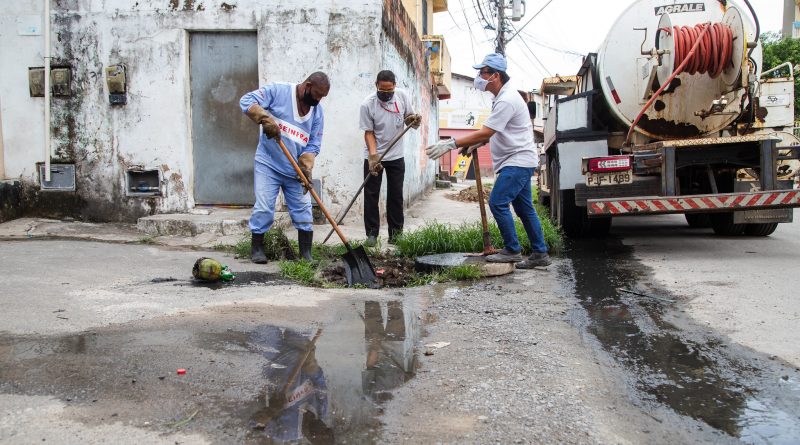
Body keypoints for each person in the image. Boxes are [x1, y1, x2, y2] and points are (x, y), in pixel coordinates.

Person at [425, 53, 551, 268]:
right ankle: (540, 253)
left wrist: (451, 143)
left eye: (482, 72)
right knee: (523, 209)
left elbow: (487, 131)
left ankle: (512, 249)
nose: (479, 77)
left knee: (498, 202)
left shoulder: (507, 99)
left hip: (517, 160)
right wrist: (477, 143)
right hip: (518, 158)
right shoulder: (501, 98)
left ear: (495, 76)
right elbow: (493, 131)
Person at [240, 72, 330, 264]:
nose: (318, 100)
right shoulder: (278, 91)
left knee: (304, 210)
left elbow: (314, 143)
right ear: (306, 85)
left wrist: (306, 164)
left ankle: (305, 254)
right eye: (316, 94)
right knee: (264, 207)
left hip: (294, 170)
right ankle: (257, 249)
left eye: (322, 97)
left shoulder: (317, 112)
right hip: (269, 163)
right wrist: (264, 118)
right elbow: (246, 100)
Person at [360, 70, 422, 246]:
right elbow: (369, 133)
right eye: (382, 90)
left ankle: (396, 235)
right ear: (376, 86)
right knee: (371, 195)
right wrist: (373, 157)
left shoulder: (402, 96)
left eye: (389, 91)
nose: (385, 94)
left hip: (396, 155)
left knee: (395, 195)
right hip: (375, 155)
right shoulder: (368, 105)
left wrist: (413, 120)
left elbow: (409, 118)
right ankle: (371, 235)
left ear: (394, 86)